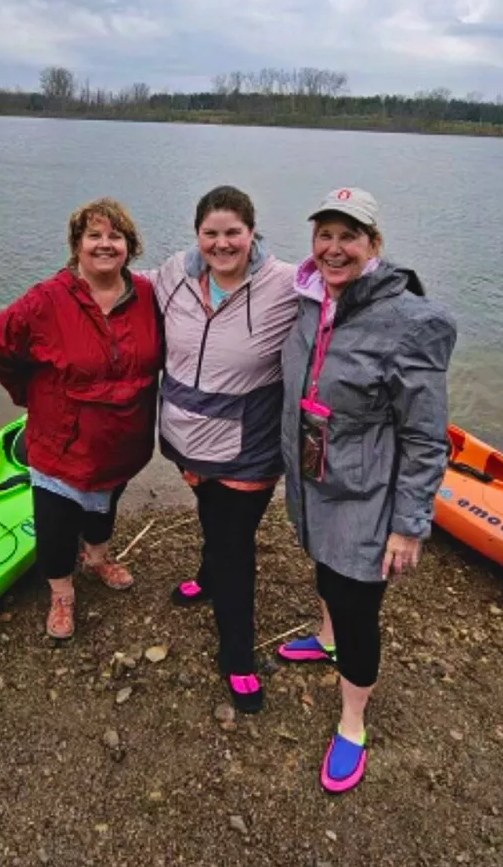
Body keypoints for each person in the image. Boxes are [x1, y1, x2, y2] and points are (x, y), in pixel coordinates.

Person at [278, 187, 456, 792]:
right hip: (313, 481)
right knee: (324, 573)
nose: (334, 248)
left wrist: (410, 524)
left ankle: (352, 721)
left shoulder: (412, 321)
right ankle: (324, 640)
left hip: (367, 494)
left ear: (375, 245)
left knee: (357, 607)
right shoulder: (309, 299)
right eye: (324, 234)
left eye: (349, 236)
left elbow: (428, 437)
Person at [0, 197, 163, 641]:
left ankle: (98, 557)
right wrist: (31, 393)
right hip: (62, 442)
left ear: (129, 247)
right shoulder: (47, 299)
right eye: (93, 235)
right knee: (56, 523)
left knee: (105, 505)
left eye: (115, 236)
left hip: (123, 438)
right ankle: (61, 593)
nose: (104, 244)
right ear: (77, 245)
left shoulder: (148, 295)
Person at [144, 186, 297, 713]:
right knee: (210, 515)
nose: (222, 243)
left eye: (233, 232)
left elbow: (344, 301)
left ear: (252, 233)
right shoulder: (173, 276)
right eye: (211, 233)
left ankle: (237, 656)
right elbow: (120, 295)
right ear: (196, 236)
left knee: (235, 547)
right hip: (187, 440)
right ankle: (207, 579)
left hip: (247, 450)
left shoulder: (288, 285)